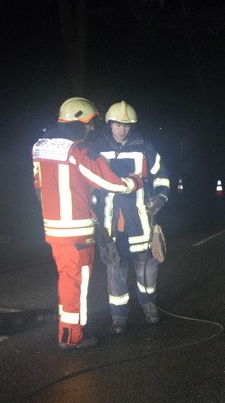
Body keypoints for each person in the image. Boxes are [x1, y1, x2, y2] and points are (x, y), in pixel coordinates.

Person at [33, 98, 142, 350]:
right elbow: (111, 182)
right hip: (77, 230)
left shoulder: (39, 146)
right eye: (91, 124)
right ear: (80, 120)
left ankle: (69, 326)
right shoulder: (79, 149)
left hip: (53, 227)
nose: (92, 129)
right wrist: (135, 182)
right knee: (76, 281)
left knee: (66, 277)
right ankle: (72, 336)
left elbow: (38, 186)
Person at [93, 101, 171, 334]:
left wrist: (160, 198)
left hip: (141, 222)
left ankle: (148, 305)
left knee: (147, 269)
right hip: (111, 224)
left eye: (127, 125)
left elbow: (162, 177)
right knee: (115, 272)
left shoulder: (145, 148)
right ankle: (118, 316)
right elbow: (89, 186)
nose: (122, 129)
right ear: (110, 124)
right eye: (118, 124)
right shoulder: (97, 149)